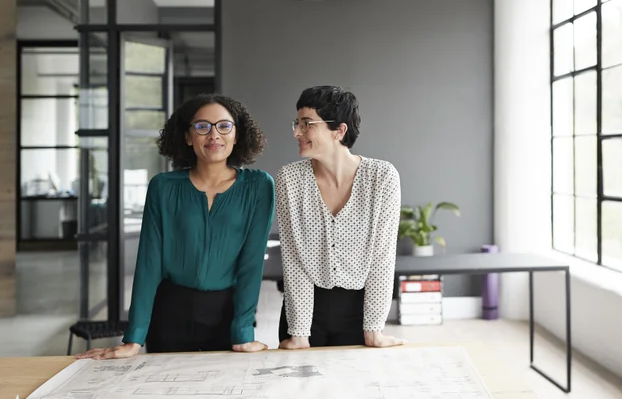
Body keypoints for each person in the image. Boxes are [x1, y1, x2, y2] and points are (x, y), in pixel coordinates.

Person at [77, 94, 274, 360]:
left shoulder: (259, 186)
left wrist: (242, 333)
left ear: (237, 135)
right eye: (202, 126)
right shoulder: (163, 187)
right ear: (187, 136)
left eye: (224, 126)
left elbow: (252, 264)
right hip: (170, 313)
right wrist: (133, 338)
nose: (214, 135)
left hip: (226, 313)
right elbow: (149, 263)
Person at [275, 85, 407, 349]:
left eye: (306, 123)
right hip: (305, 311)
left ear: (339, 130)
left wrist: (373, 329)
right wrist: (300, 331)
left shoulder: (382, 177)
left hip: (361, 311)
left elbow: (383, 257)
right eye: (296, 123)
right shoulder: (289, 179)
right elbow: (292, 256)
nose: (296, 132)